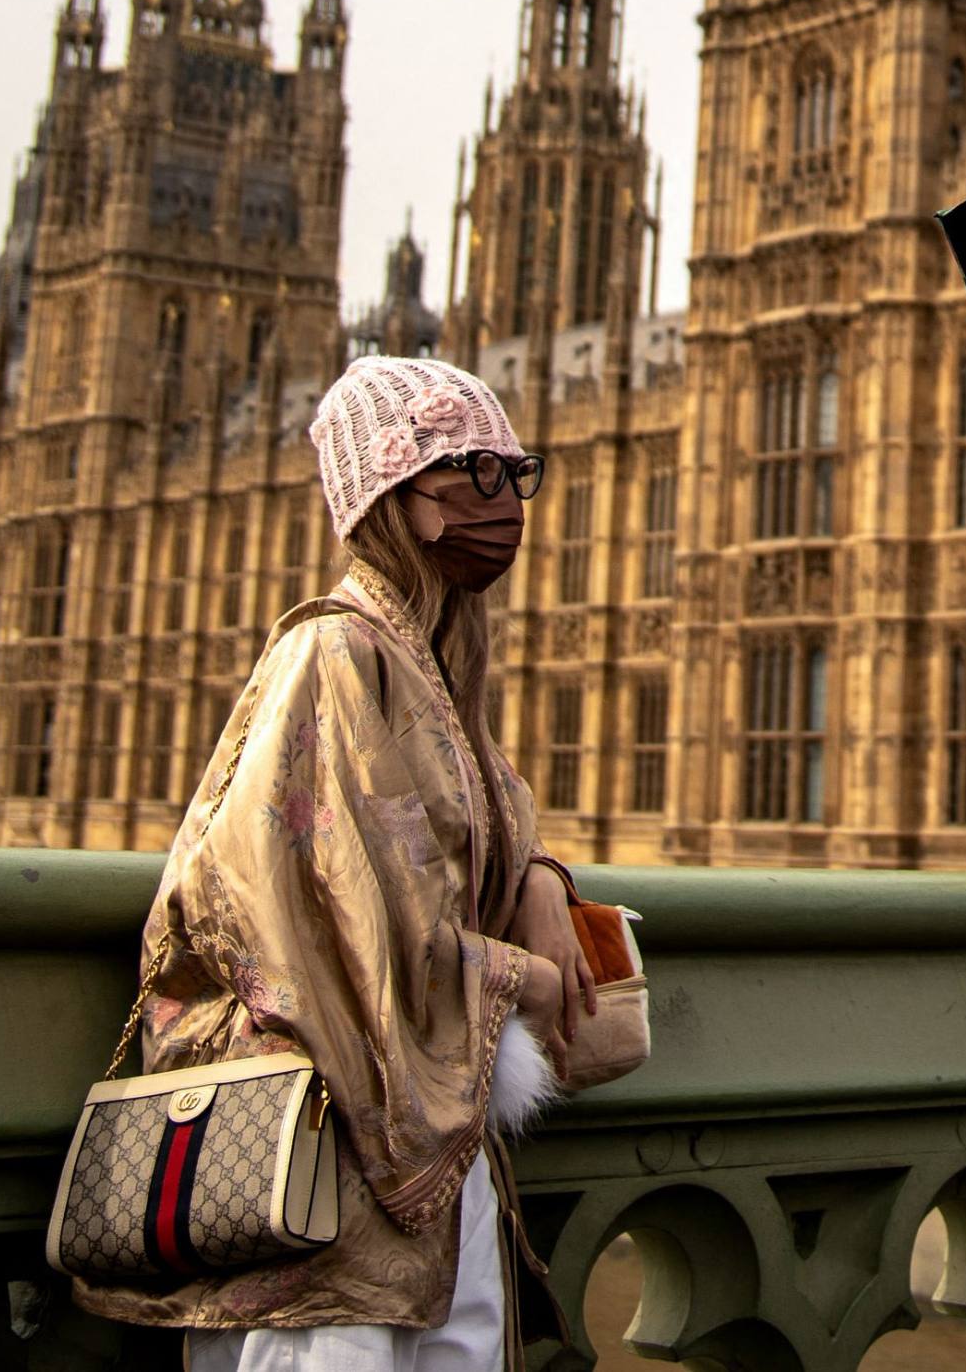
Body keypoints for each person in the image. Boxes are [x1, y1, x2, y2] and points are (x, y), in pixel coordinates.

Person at [76, 355, 612, 1372]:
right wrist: (521, 977)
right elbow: (328, 921)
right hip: (322, 1177)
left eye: (515, 472)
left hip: (426, 1162)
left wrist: (537, 877)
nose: (506, 503)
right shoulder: (334, 655)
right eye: (476, 474)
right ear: (397, 502)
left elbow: (460, 828)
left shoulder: (431, 665)